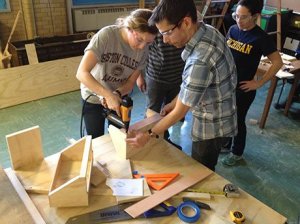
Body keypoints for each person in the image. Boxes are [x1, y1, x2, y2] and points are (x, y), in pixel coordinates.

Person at [126, 0, 237, 171]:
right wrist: (174, 102)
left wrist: (148, 135)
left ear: (185, 22)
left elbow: (180, 112)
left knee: (202, 170)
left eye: (167, 33)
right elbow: (193, 86)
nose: (165, 40)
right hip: (220, 110)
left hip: (212, 125)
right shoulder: (207, 30)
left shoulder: (200, 59)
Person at [76, 9, 158, 139]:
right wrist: (107, 95)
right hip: (92, 96)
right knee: (95, 139)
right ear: (129, 28)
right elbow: (81, 73)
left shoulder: (143, 50)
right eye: (139, 39)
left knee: (118, 137)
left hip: (118, 98)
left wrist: (116, 94)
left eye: (148, 42)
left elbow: (131, 82)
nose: (142, 47)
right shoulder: (107, 36)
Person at [221, 0, 283, 166]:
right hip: (227, 84)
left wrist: (259, 83)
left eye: (243, 17)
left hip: (244, 88)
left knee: (238, 120)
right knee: (227, 116)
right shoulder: (233, 30)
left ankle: (237, 152)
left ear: (255, 16)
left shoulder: (261, 37)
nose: (238, 21)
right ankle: (226, 144)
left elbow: (277, 62)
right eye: (236, 16)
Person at [136, 34, 185, 144]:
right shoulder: (153, 24)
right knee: (152, 111)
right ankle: (147, 141)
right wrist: (138, 77)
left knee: (168, 111)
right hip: (155, 78)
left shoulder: (181, 25)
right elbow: (141, 51)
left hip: (178, 77)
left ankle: (163, 139)